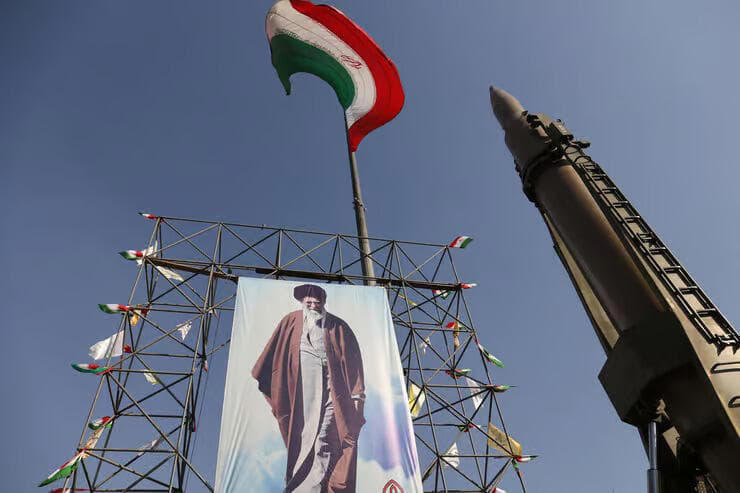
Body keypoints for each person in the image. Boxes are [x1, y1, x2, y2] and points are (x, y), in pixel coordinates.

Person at [252, 283, 365, 493]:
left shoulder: (338, 326)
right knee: (304, 439)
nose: (313, 305)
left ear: (323, 303)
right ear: (302, 302)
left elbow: (354, 365)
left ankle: (310, 488)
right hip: (303, 392)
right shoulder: (291, 321)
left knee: (323, 438)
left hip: (334, 392)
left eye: (317, 302)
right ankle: (301, 486)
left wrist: (358, 398)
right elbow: (271, 360)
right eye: (309, 301)